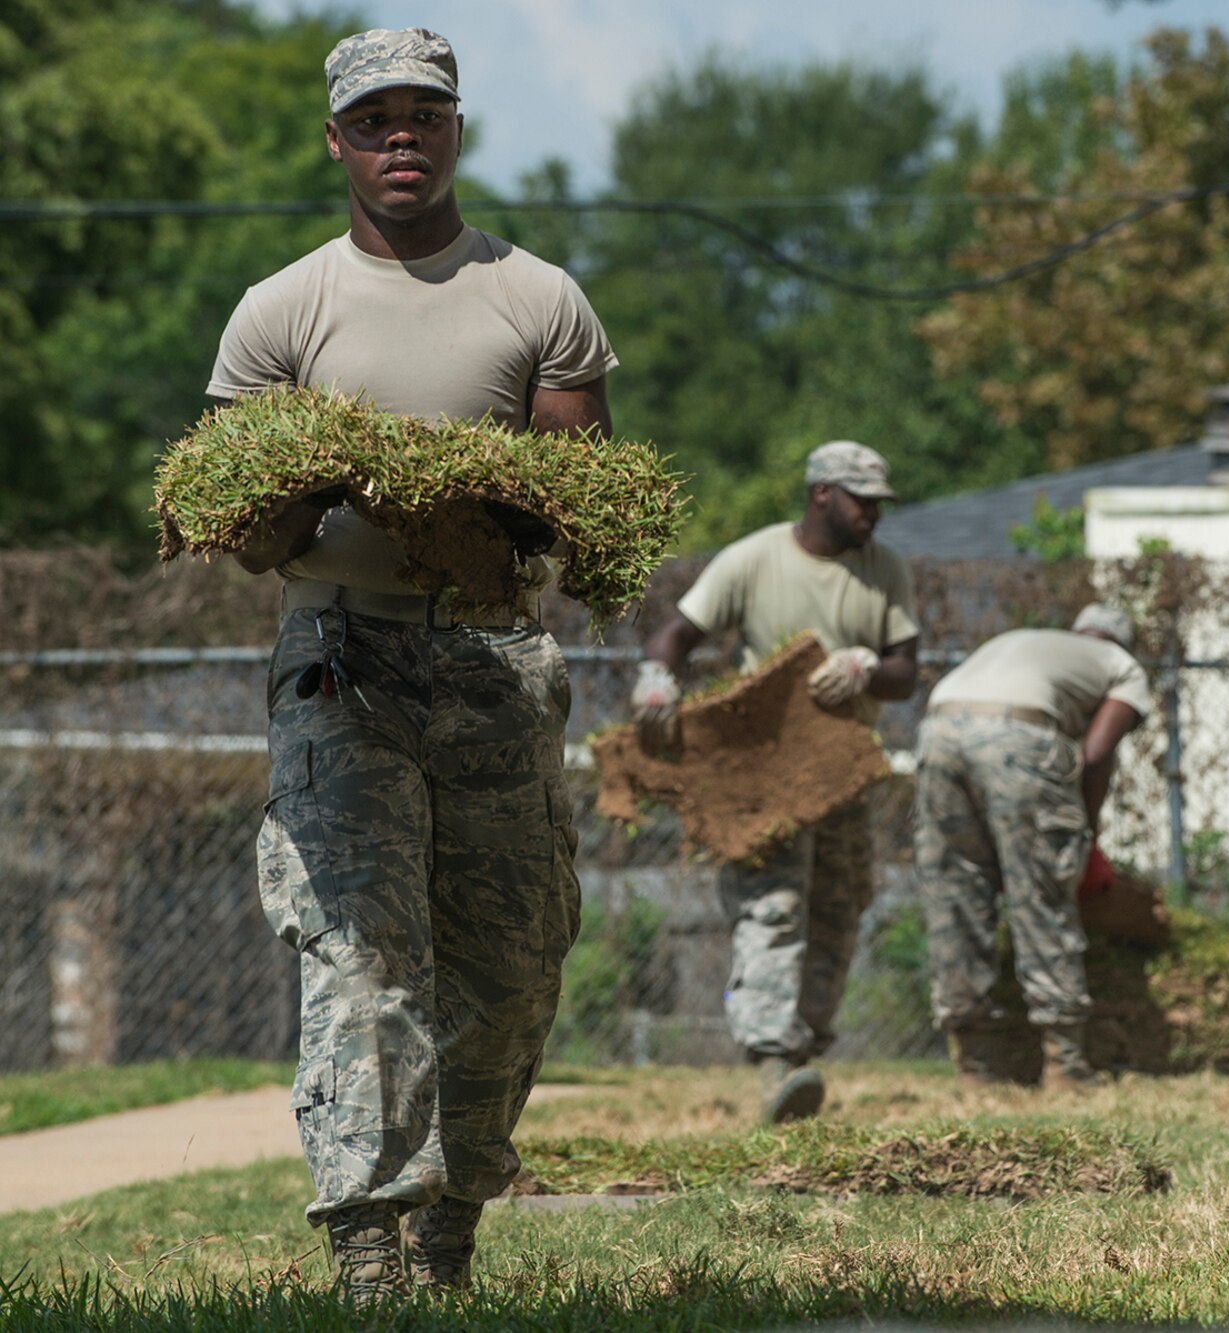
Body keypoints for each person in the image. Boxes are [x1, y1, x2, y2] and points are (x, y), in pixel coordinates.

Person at [207, 29, 619, 1299]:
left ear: (456, 132)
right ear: (335, 140)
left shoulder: (535, 296)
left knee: (509, 957)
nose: (401, 137)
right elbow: (241, 524)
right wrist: (330, 483)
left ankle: (456, 1221)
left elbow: (586, 502)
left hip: (494, 658)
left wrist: (480, 501)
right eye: (373, 118)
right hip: (341, 658)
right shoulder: (284, 308)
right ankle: (371, 1243)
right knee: (363, 949)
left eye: (423, 116)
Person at [631, 442, 918, 1122]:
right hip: (766, 767)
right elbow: (676, 633)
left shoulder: (885, 569)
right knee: (773, 904)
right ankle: (771, 1063)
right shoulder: (755, 558)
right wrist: (656, 678)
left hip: (842, 767)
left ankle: (804, 1055)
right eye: (861, 500)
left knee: (840, 905)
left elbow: (908, 672)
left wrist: (865, 667)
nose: (873, 514)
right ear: (821, 494)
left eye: (879, 502)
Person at [913, 604, 1149, 1089]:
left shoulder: (1025, 637)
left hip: (935, 730)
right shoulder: (1121, 667)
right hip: (1017, 736)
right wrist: (1083, 832)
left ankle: (976, 1068)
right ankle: (1066, 1065)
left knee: (956, 897)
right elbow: (1097, 751)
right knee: (1039, 897)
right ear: (1120, 642)